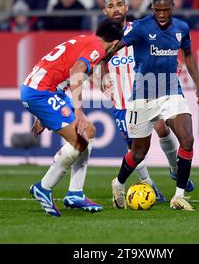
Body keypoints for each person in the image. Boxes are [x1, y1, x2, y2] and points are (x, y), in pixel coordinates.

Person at [110, 0, 199, 211]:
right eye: (157, 10)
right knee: (139, 153)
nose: (162, 15)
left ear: (173, 6)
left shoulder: (182, 28)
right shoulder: (141, 27)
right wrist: (98, 60)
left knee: (188, 139)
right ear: (152, 7)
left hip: (171, 91)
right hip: (143, 95)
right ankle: (119, 182)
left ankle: (179, 195)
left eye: (166, 10)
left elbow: (189, 56)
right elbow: (117, 45)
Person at [21, 18, 123, 217]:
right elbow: (76, 71)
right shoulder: (98, 48)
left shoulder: (86, 40)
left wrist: (41, 114)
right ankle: (44, 187)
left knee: (88, 132)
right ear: (113, 44)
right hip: (41, 93)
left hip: (41, 90)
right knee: (79, 141)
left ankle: (75, 193)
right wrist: (78, 112)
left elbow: (61, 68)